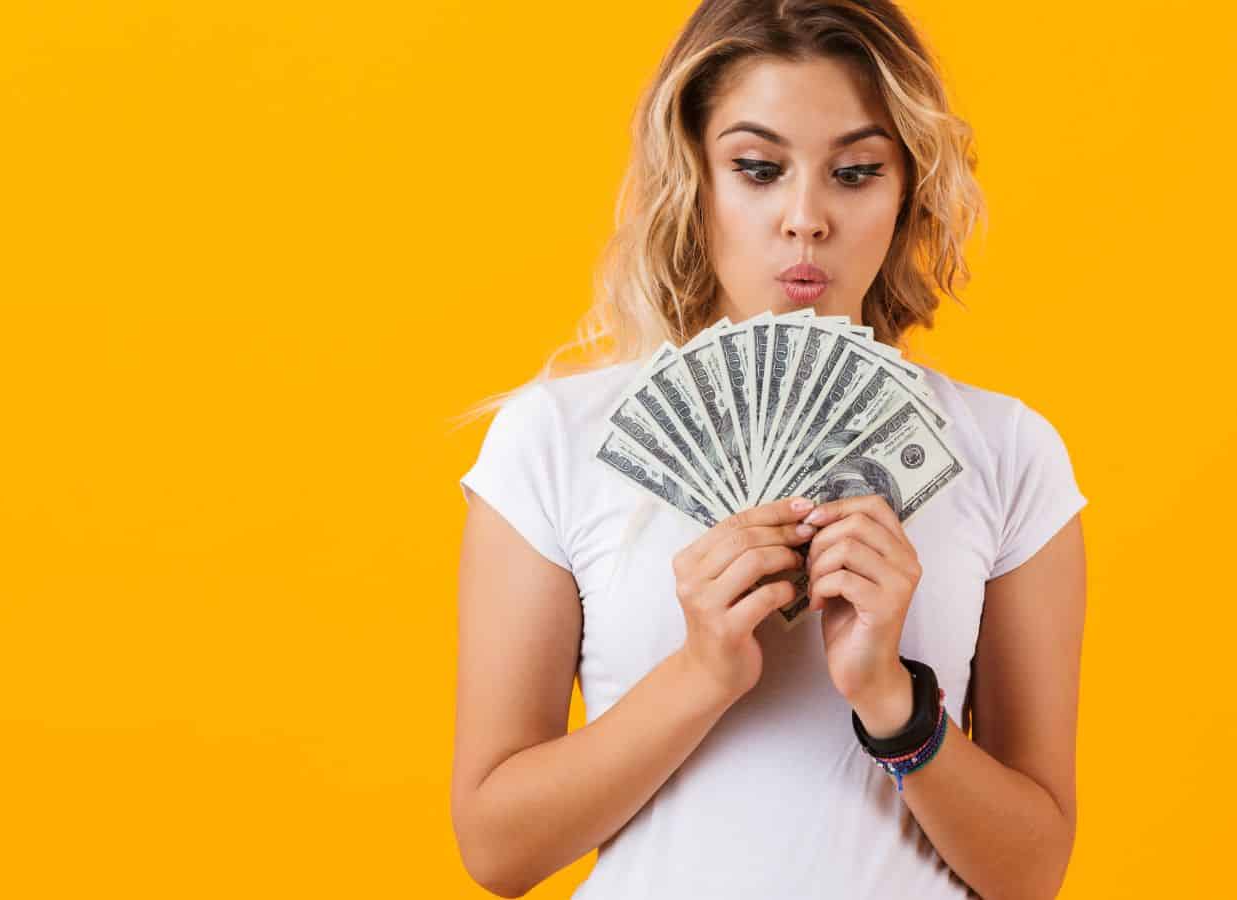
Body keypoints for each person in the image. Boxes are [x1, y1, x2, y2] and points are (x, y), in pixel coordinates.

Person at [451, 2, 1089, 897]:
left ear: (906, 188)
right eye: (757, 168)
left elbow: (1032, 869)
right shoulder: (552, 441)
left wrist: (892, 702)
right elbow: (497, 849)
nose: (805, 219)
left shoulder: (1009, 452)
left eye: (856, 172)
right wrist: (702, 672)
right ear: (695, 178)